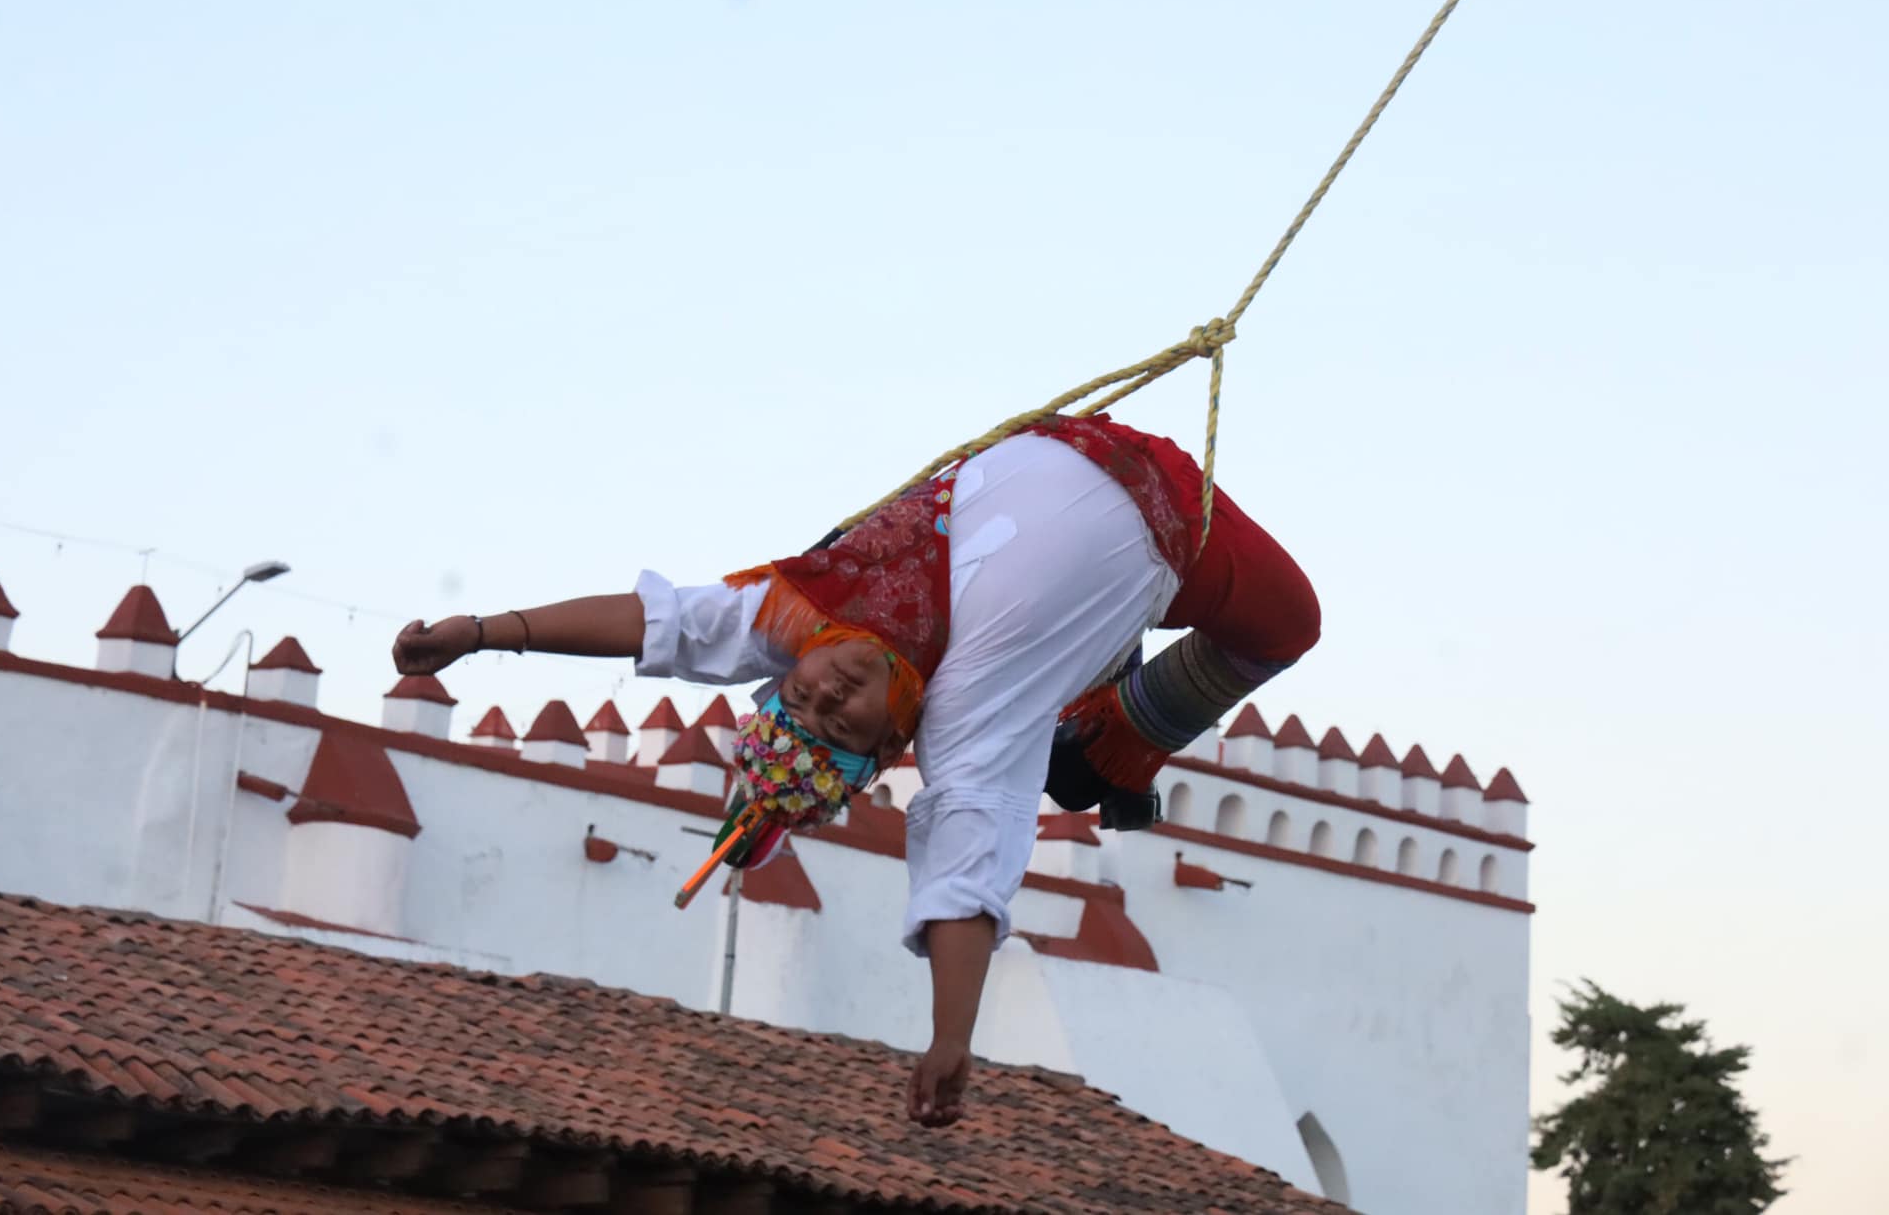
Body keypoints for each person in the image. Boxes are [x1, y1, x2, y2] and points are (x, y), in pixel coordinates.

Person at [392, 413, 1319, 1127]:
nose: (824, 697)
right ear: (883, 749)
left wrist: (478, 636)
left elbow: (659, 626)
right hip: (1173, 522)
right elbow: (962, 869)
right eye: (837, 725)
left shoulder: (807, 612)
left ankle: (1100, 718)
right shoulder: (967, 716)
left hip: (1093, 448)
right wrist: (952, 1036)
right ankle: (1114, 732)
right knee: (1290, 625)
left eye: (795, 703)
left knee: (1098, 679)